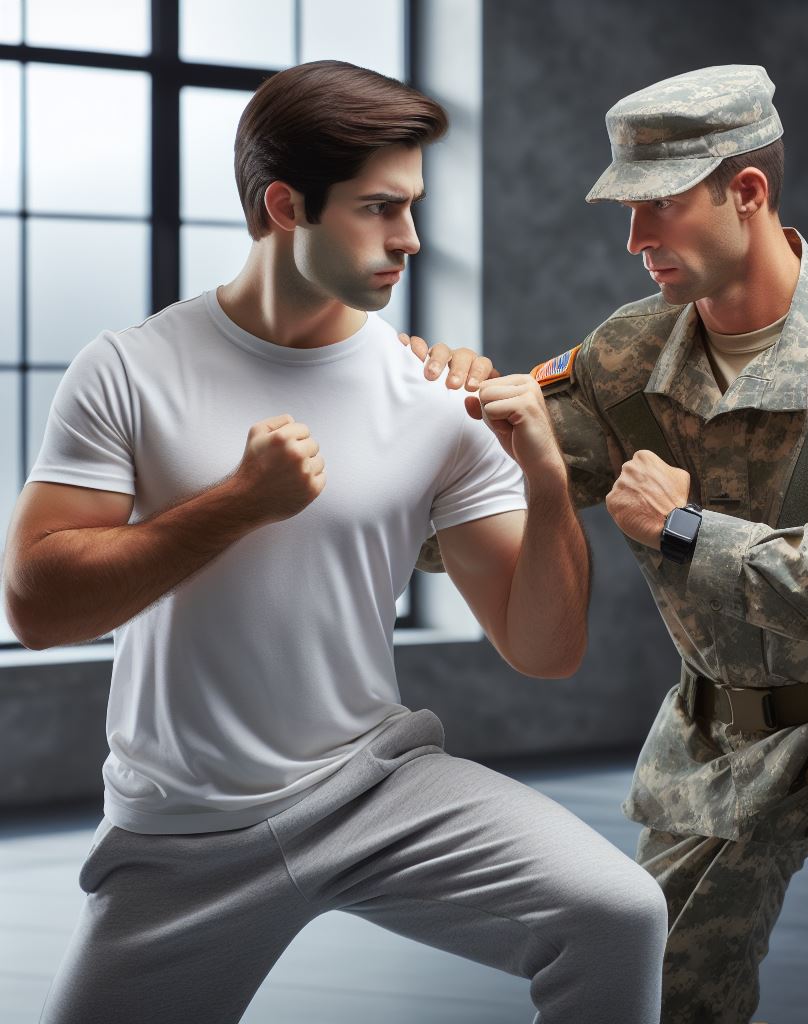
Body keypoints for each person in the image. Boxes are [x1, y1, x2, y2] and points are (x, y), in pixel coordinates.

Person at [1, 61, 667, 1024]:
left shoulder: (433, 397)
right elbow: (37, 608)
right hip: (185, 830)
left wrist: (548, 480)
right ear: (285, 206)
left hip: (372, 793)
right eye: (380, 209)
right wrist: (237, 501)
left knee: (618, 913)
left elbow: (545, 649)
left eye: (413, 206)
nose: (412, 239)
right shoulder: (129, 370)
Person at [408, 64, 808, 1024]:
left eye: (659, 206)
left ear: (747, 191)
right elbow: (487, 517)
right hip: (721, 734)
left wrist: (690, 532)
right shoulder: (627, 356)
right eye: (626, 210)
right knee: (642, 973)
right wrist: (414, 422)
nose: (635, 240)